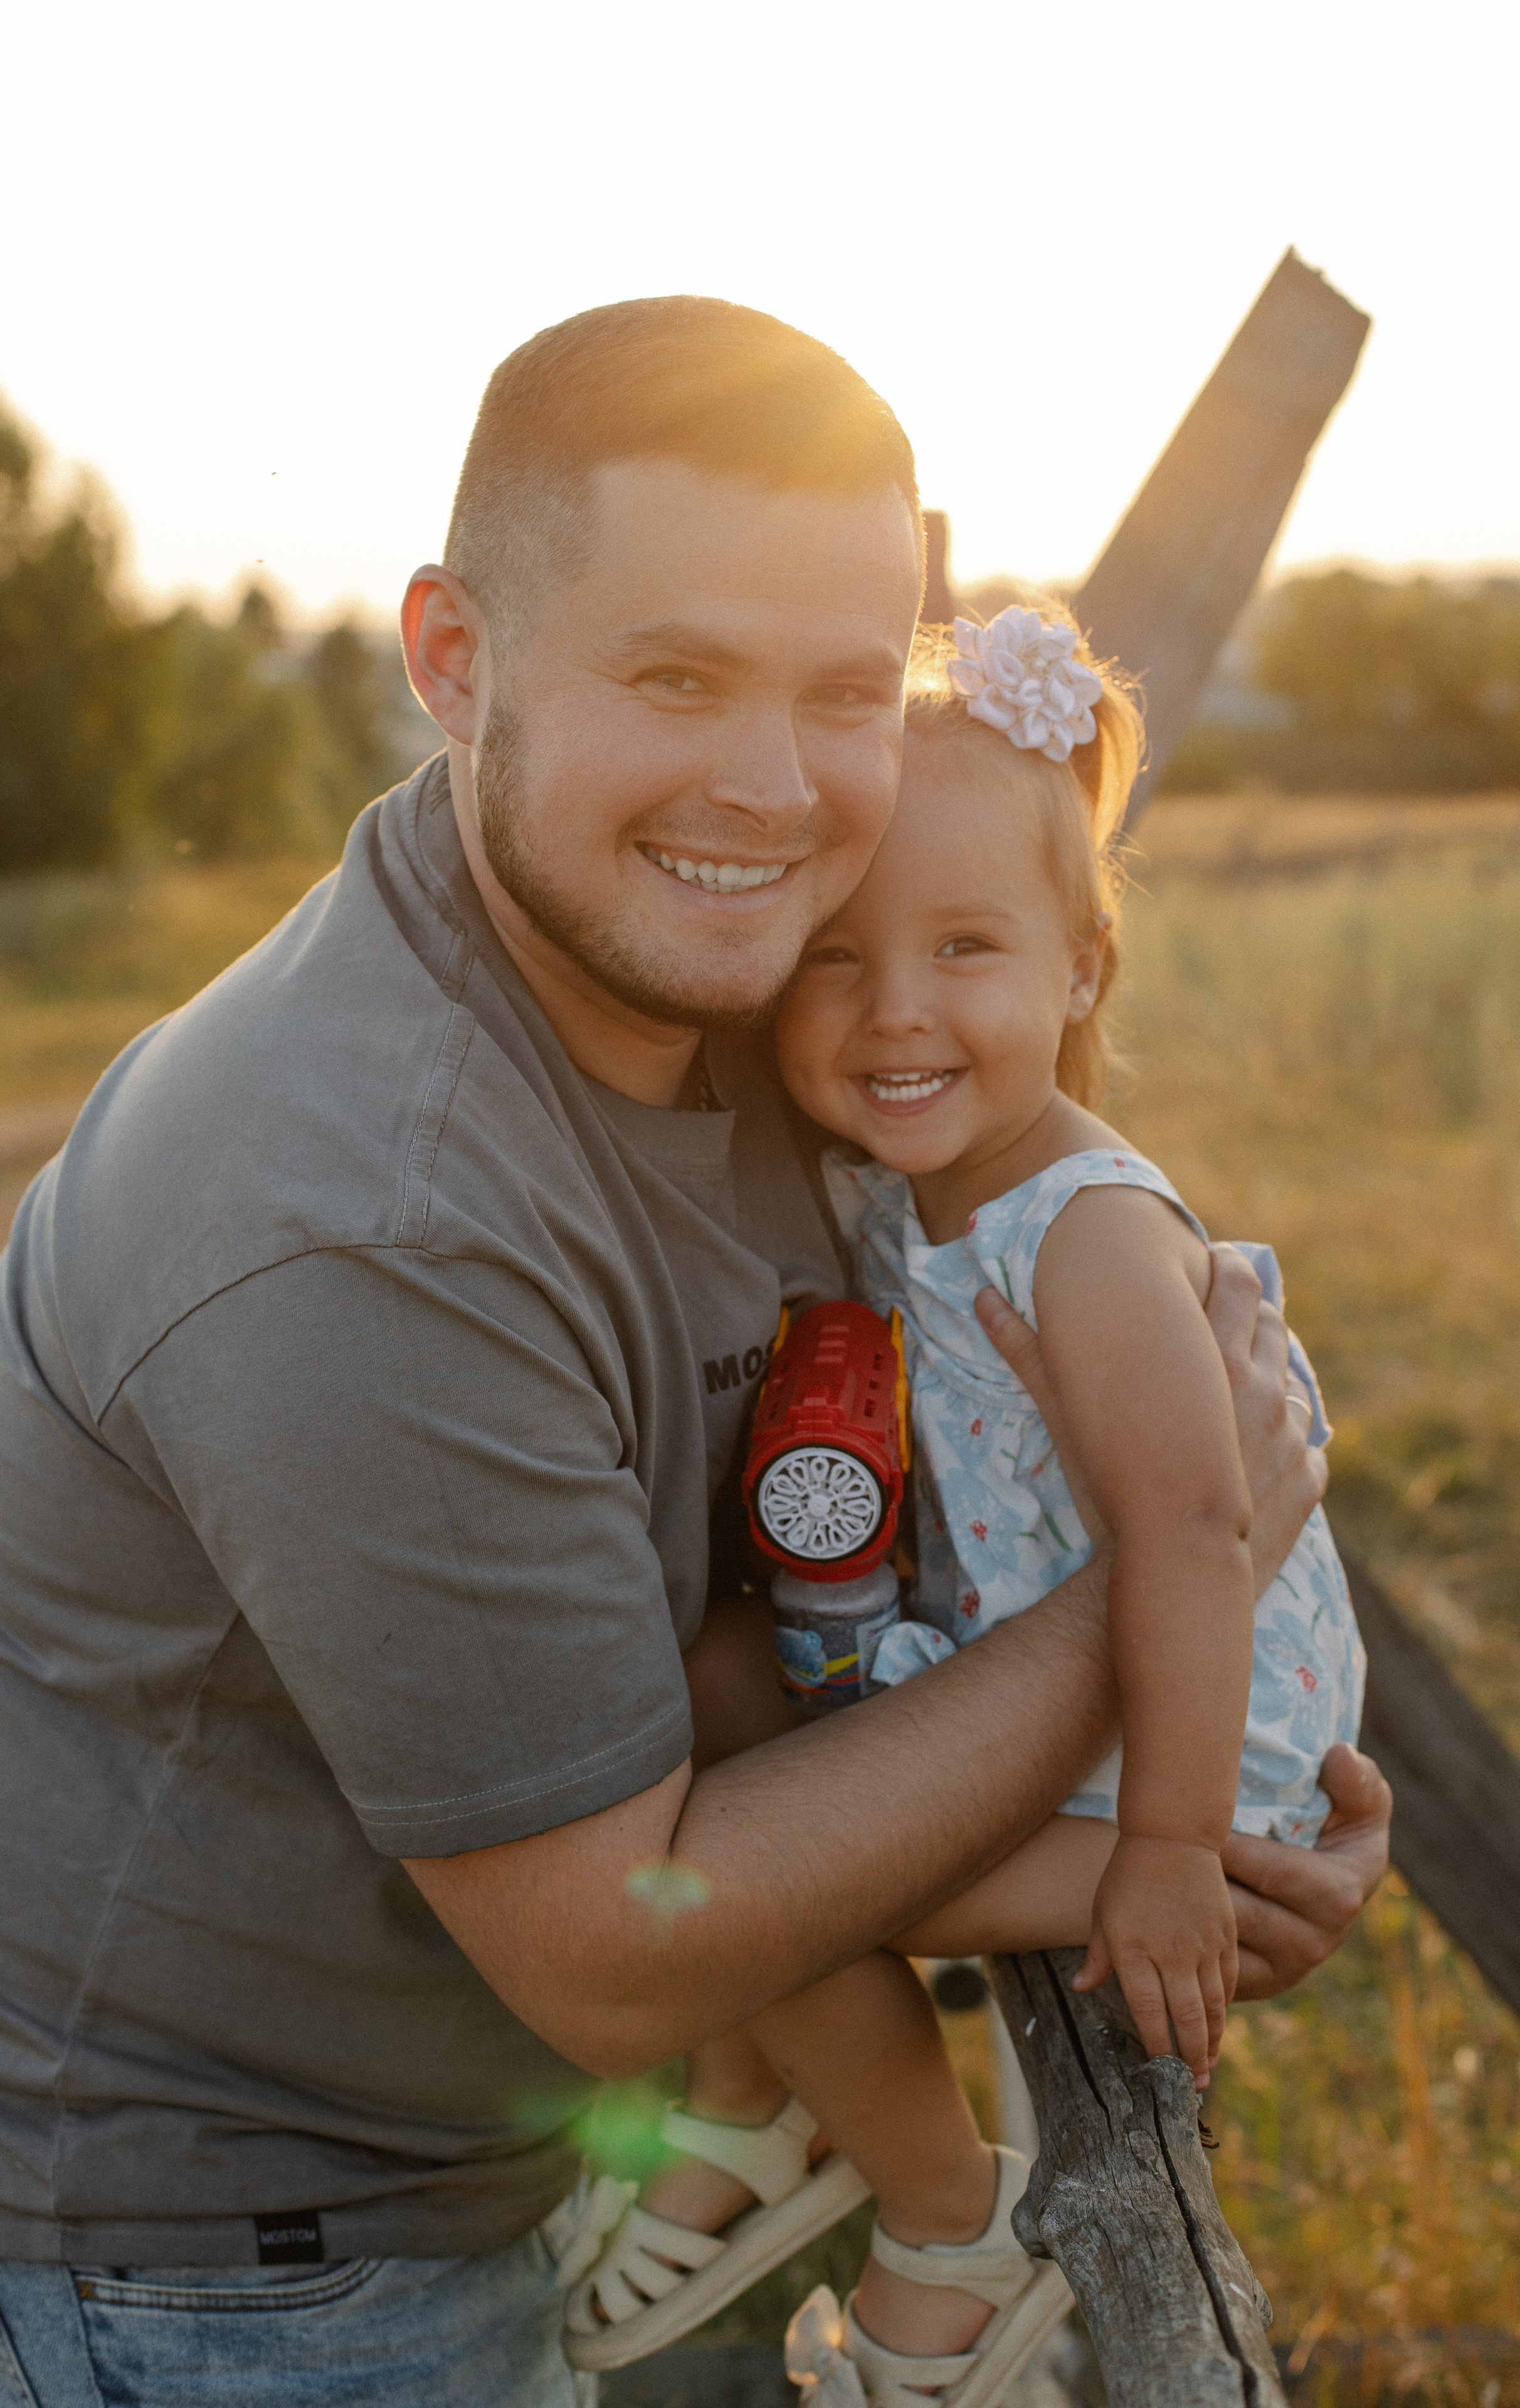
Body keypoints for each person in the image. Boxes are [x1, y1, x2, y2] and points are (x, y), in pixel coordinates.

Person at [0, 299, 1389, 2408]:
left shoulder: (746, 990)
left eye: (846, 690)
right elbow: (610, 1941)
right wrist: (1166, 1623)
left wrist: (1206, 1800)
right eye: (675, 676)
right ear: (456, 659)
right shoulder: (360, 1219)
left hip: (449, 2168)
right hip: (217, 2281)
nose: (771, 786)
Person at [559, 610, 1367, 2406]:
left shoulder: (1083, 1237)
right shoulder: (909, 1187)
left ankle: (948, 2233)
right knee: (693, 1708)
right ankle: (762, 2104)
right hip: (1040, 1681)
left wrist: (1162, 1855)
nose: (895, 1009)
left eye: (968, 950)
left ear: (1085, 968)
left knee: (755, 1887)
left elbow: (1196, 1538)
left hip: (1184, 1752)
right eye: (835, 961)